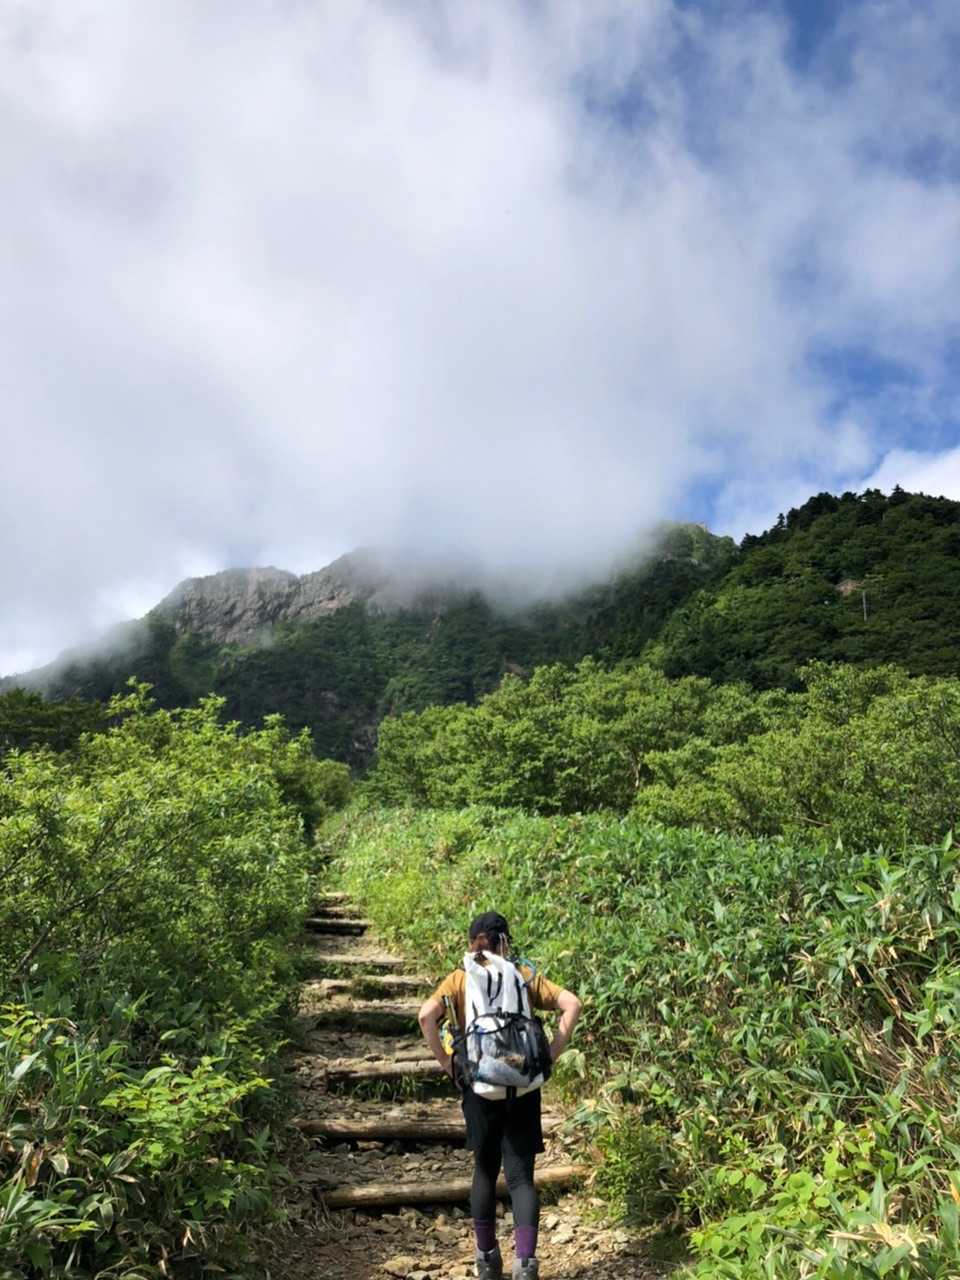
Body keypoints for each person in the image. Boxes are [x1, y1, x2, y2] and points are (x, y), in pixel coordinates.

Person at [418, 912, 582, 1280]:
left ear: (472, 941)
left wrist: (447, 1063)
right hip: (523, 1084)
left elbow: (426, 1016)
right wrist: (550, 1055)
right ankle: (525, 1263)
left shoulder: (460, 978)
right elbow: (572, 1004)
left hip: (479, 1084)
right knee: (521, 1178)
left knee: (485, 1171)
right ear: (505, 941)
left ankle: (487, 1260)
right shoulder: (522, 974)